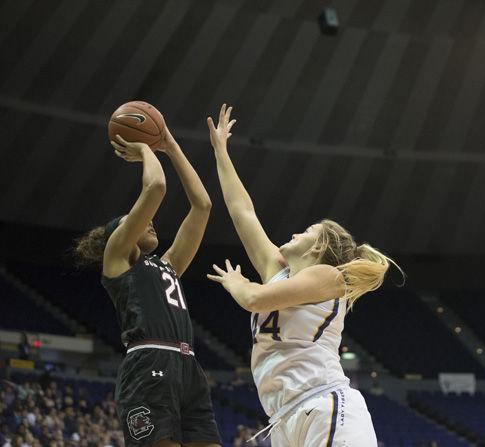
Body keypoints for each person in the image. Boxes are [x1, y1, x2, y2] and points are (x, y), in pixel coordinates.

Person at [206, 104, 403, 446]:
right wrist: (221, 151)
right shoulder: (278, 272)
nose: (297, 233)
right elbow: (243, 212)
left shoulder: (329, 278)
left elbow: (253, 299)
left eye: (308, 230)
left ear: (318, 248)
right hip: (284, 419)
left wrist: (237, 282)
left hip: (324, 404)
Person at [73, 127, 219, 447]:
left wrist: (170, 145)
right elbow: (155, 186)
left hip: (188, 367)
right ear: (121, 233)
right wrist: (143, 150)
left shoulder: (168, 265)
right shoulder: (117, 259)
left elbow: (202, 206)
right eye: (138, 218)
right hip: (149, 364)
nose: (150, 220)